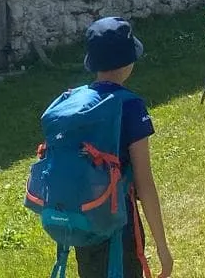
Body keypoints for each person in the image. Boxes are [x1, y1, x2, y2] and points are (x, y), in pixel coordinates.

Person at [73, 18, 174, 278]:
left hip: (84, 220)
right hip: (120, 222)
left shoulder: (79, 103)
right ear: (128, 62)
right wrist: (163, 248)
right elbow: (144, 182)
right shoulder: (130, 106)